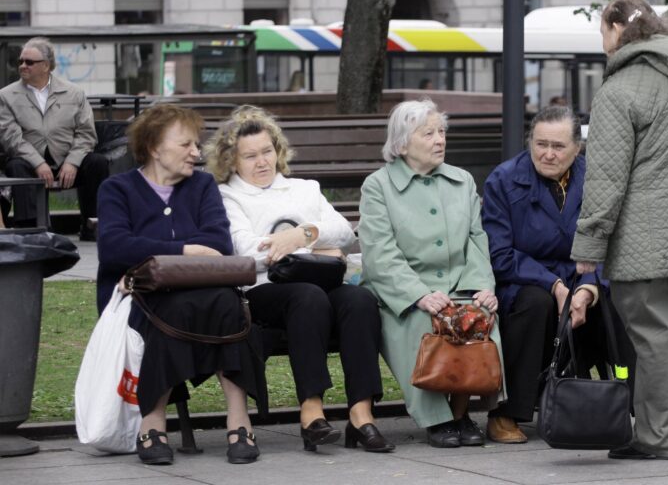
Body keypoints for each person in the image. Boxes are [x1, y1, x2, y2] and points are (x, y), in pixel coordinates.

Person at [571, 0, 668, 460]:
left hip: (644, 240)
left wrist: (589, 246)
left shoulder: (620, 90)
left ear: (618, 29)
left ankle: (658, 437)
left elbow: (605, 179)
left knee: (655, 338)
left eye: (602, 32)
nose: (602, 44)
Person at [206, 105, 394, 453]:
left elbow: (345, 232)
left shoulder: (305, 188)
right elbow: (245, 250)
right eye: (250, 156)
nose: (262, 162)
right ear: (232, 161)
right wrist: (314, 248)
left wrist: (301, 234)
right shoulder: (227, 196)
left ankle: (361, 414)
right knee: (307, 296)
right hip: (264, 292)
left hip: (321, 286)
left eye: (267, 151)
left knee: (359, 300)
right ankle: (311, 410)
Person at [97, 104, 261, 465]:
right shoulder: (117, 188)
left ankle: (239, 419)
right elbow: (114, 248)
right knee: (175, 310)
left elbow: (219, 243)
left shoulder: (201, 185)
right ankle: (152, 421)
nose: (196, 153)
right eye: (186, 144)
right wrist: (183, 248)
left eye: (196, 144)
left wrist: (155, 253)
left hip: (203, 293)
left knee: (227, 305)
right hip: (142, 298)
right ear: (155, 147)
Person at [358, 99, 504, 449]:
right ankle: (436, 418)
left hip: (459, 284)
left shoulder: (461, 180)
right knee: (426, 323)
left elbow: (476, 239)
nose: (440, 140)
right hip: (402, 292)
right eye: (429, 133)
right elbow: (379, 253)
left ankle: (460, 410)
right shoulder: (378, 186)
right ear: (402, 143)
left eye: (441, 132)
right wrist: (418, 294)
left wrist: (481, 286)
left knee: (479, 316)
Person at [480, 105, 600, 444]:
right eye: (540, 144)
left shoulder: (595, 179)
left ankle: (625, 399)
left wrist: (588, 288)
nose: (548, 154)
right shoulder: (503, 180)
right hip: (522, 281)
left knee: (623, 302)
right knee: (536, 304)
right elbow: (499, 254)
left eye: (558, 146)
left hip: (583, 275)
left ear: (577, 148)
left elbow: (613, 241)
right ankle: (506, 412)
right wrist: (554, 285)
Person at [0, 37, 108, 240]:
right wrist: (38, 163)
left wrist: (73, 162)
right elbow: (11, 138)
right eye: (21, 61)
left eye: (29, 62)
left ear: (46, 66)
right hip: (30, 160)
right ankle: (31, 228)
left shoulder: (73, 93)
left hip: (67, 159)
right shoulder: (6, 96)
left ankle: (92, 225)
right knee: (16, 166)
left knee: (97, 163)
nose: (23, 65)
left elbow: (86, 133)